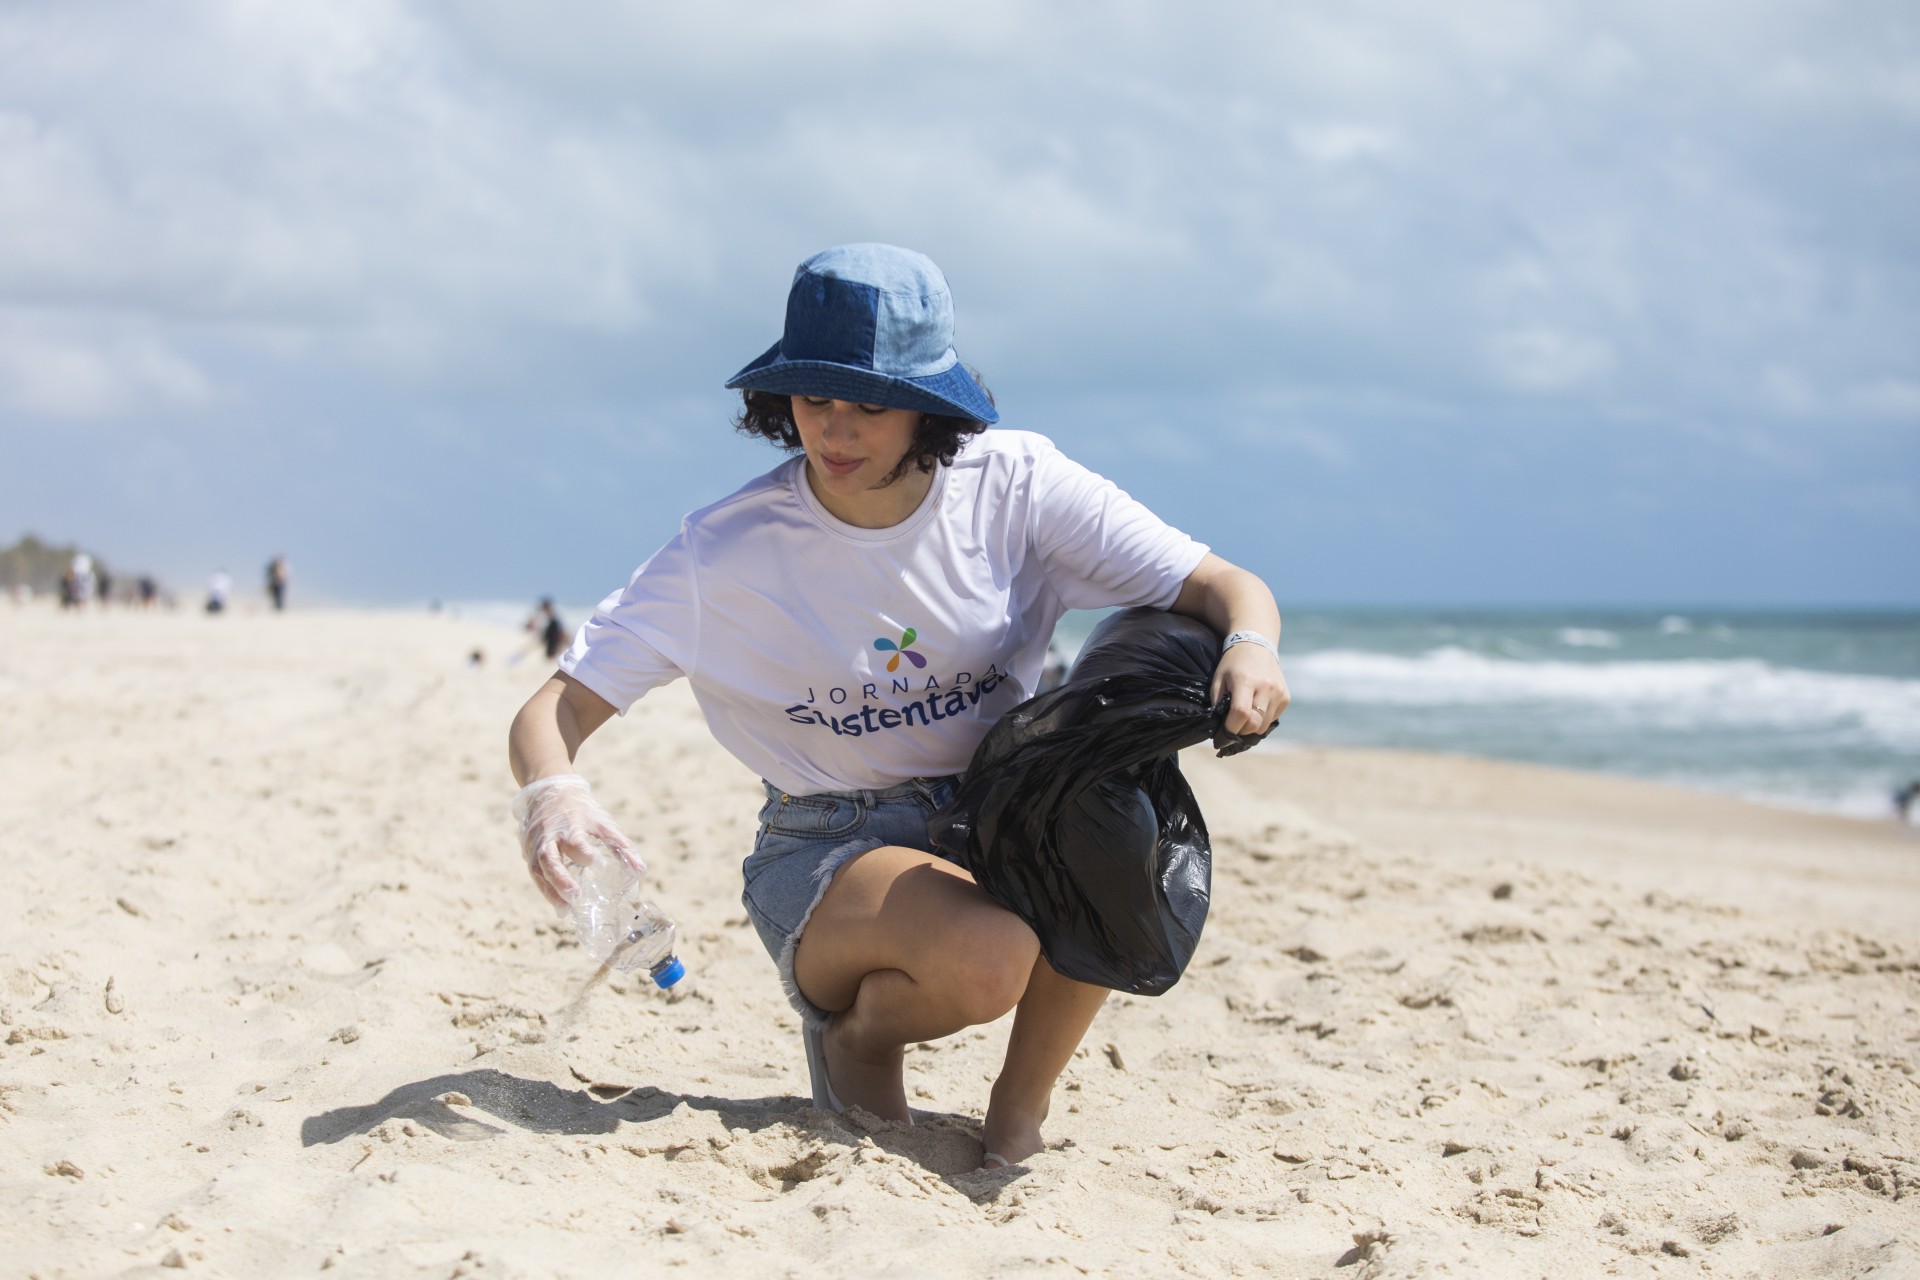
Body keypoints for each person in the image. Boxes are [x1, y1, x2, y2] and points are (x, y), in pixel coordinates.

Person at [506, 244, 1289, 1169]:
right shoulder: (724, 553)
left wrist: (1251, 647)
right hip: (831, 843)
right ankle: (859, 1037)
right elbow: (552, 708)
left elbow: (1220, 584)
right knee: (993, 955)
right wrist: (553, 794)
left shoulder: (1015, 487)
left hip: (996, 808)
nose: (834, 432)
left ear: (928, 405)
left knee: (1110, 806)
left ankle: (1017, 1106)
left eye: (869, 405)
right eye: (812, 400)